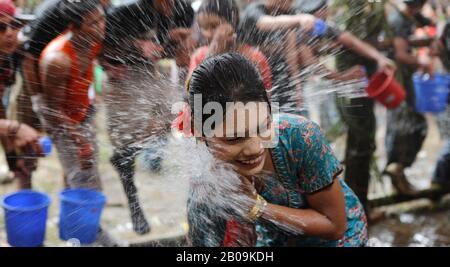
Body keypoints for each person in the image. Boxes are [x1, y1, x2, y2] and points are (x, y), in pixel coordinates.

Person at [185, 53, 368, 247]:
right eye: (234, 138)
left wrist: (256, 208)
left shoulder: (300, 137)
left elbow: (334, 226)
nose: (255, 148)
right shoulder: (205, 179)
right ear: (200, 132)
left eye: (263, 127)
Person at [384, 0, 433, 194]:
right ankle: (396, 169)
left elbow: (425, 23)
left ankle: (398, 173)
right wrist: (422, 63)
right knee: (413, 125)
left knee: (400, 124)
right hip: (399, 79)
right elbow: (401, 54)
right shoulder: (400, 19)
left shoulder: (406, 15)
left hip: (400, 79)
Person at [188, 0, 272, 90]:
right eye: (204, 27)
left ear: (232, 20)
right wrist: (211, 54)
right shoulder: (199, 56)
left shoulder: (253, 56)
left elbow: (266, 96)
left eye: (214, 26)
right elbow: (191, 93)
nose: (208, 34)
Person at [0, 0, 39, 188]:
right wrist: (15, 128)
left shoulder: (6, 58)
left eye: (14, 25)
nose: (9, 32)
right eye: (0, 27)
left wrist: (12, 159)